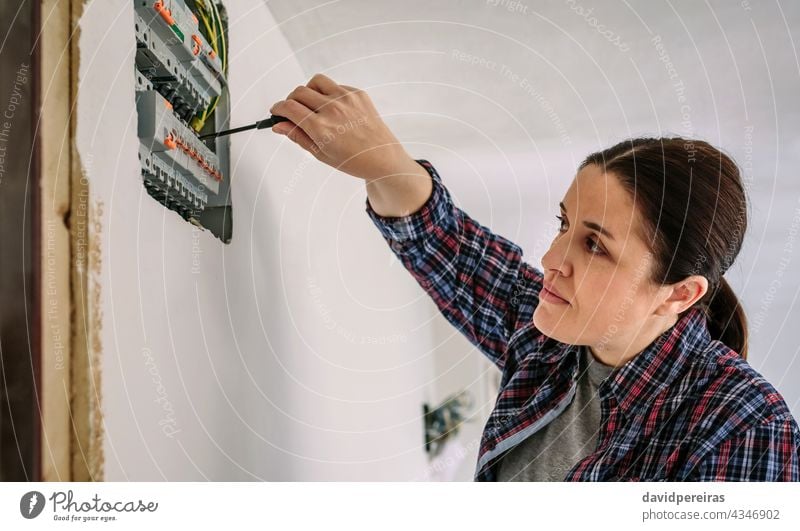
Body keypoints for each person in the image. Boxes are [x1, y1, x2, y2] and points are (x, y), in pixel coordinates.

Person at [270, 73, 800, 481]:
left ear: (679, 294)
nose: (552, 258)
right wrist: (381, 159)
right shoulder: (550, 339)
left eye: (595, 244)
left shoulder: (743, 427)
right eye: (564, 223)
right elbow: (449, 248)